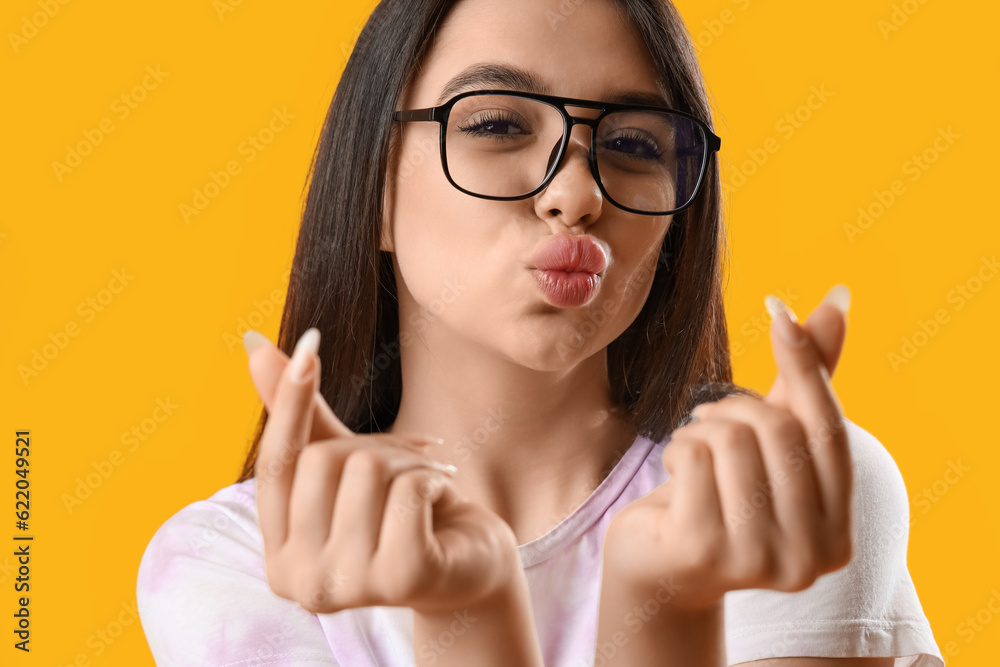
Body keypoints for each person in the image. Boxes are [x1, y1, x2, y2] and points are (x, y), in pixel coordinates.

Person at [136, 0, 945, 665]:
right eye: (495, 125)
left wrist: (659, 608)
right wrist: (466, 607)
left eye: (631, 142)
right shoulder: (226, 563)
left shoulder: (775, 488)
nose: (575, 191)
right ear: (375, 182)